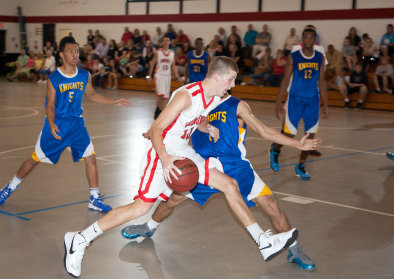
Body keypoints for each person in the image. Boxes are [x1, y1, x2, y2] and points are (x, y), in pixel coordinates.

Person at [64, 57, 299, 278]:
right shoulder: (186, 96)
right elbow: (156, 128)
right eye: (230, 79)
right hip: (161, 152)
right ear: (217, 77)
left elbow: (199, 118)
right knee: (140, 208)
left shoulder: (214, 97)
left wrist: (208, 128)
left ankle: (263, 243)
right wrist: (165, 158)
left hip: (184, 152)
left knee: (229, 184)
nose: (233, 85)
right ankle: (80, 239)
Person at [121, 93, 321, 271]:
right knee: (173, 199)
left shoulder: (237, 104)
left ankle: (295, 249)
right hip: (203, 165)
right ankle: (148, 227)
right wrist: (153, 132)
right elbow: (170, 122)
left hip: (236, 166)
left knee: (271, 205)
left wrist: (296, 143)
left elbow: (263, 130)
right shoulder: (198, 102)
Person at [0, 36, 131, 211]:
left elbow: (91, 95)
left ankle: (94, 199)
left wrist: (113, 101)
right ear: (61, 54)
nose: (75, 54)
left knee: (90, 157)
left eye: (77, 51)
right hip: (57, 125)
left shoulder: (84, 75)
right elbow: (51, 105)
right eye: (71, 51)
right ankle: (8, 189)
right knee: (34, 160)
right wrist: (52, 124)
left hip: (76, 125)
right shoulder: (54, 78)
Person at [269, 28, 328, 180]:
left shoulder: (320, 57)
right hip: (295, 99)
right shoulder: (294, 56)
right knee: (289, 134)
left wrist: (325, 104)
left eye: (311, 37)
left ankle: (300, 166)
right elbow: (285, 79)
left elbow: (321, 81)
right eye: (306, 37)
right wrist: (278, 101)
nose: (308, 40)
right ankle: (275, 150)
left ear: (315, 40)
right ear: (302, 39)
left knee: (310, 136)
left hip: (313, 101)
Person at [148, 36, 183, 119]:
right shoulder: (158, 52)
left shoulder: (172, 53)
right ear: (162, 43)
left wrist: (177, 75)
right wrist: (149, 75)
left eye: (168, 40)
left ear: (169, 42)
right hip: (159, 75)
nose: (166, 42)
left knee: (165, 97)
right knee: (161, 94)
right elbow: (152, 63)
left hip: (167, 76)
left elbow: (173, 65)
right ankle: (159, 112)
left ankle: (158, 110)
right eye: (165, 40)